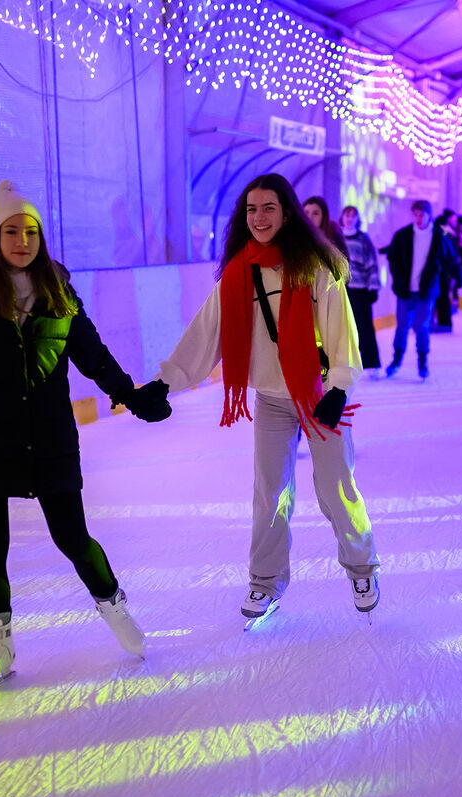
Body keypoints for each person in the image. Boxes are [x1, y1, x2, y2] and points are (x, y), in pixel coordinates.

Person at [0, 180, 154, 693]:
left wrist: (129, 394)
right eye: (11, 231)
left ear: (40, 236)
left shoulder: (58, 289)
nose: (21, 240)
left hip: (48, 436)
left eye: (30, 231)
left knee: (72, 536)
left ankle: (115, 609)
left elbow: (91, 353)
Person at [130, 173, 379, 622]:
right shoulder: (239, 271)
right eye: (251, 209)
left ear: (286, 212)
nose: (259, 217)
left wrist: (340, 387)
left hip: (320, 397)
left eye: (268, 208)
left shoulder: (317, 265)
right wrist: (166, 380)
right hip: (271, 398)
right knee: (270, 494)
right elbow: (206, 332)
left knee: (336, 490)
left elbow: (343, 332)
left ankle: (362, 567)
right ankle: (265, 583)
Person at [382, 199, 460, 379]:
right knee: (402, 327)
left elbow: (451, 259)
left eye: (422, 215)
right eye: (415, 214)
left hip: (426, 291)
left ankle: (422, 361)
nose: (418, 218)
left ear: (429, 215)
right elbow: (393, 258)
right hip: (405, 291)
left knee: (422, 328)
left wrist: (458, 279)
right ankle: (396, 359)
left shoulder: (439, 237)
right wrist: (398, 283)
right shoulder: (402, 235)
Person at [339, 205, 382, 371]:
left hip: (360, 289)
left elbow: (372, 263)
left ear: (357, 219)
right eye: (347, 215)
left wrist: (373, 287)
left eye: (353, 216)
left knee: (364, 326)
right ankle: (344, 362)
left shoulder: (363, 239)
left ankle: (371, 363)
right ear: (342, 218)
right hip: (341, 288)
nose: (349, 219)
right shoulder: (336, 237)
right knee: (342, 327)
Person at [432, 210, 460, 332]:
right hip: (445, 271)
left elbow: (449, 254)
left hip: (442, 271)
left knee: (440, 296)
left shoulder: (444, 235)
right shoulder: (448, 235)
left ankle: (442, 322)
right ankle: (444, 322)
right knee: (442, 295)